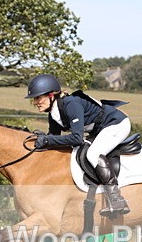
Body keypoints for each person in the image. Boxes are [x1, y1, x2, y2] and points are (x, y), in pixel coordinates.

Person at [26, 74, 131, 216]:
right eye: (35, 99)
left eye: (38, 97)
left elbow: (76, 138)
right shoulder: (53, 113)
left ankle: (116, 199)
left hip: (116, 124)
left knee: (93, 153)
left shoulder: (71, 104)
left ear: (51, 95)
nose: (36, 102)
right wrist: (40, 141)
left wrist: (47, 140)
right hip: (100, 129)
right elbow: (54, 138)